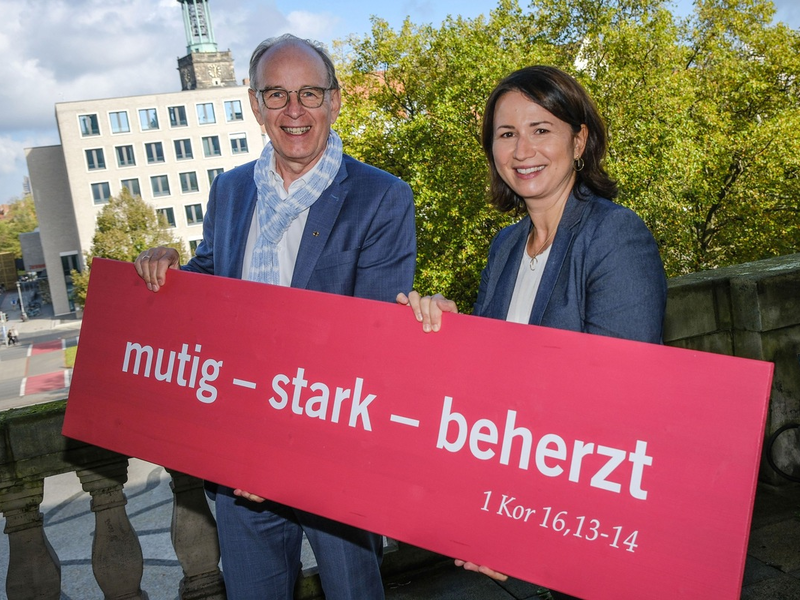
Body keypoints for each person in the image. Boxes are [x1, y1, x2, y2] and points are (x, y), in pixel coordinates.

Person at [135, 34, 416, 600]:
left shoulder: (382, 198)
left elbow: (372, 339)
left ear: (335, 102)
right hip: (237, 460)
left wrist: (281, 451)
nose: (294, 111)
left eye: (309, 94)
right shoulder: (231, 190)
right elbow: (214, 282)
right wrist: (170, 274)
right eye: (277, 94)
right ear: (255, 103)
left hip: (332, 456)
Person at [398, 65, 667, 599]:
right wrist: (449, 333)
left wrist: (521, 531)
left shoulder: (616, 237)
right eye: (506, 134)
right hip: (522, 516)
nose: (523, 150)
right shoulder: (504, 248)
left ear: (580, 139)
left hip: (587, 530)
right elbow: (492, 391)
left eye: (541, 129)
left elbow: (619, 409)